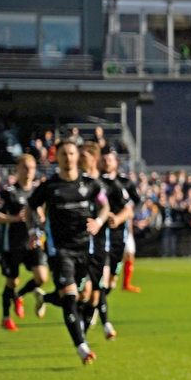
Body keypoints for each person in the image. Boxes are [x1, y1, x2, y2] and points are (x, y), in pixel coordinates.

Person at [26, 141, 110, 365]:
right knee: (71, 296)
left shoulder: (90, 184)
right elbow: (30, 206)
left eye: (71, 153)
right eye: (63, 154)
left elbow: (104, 205)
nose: (68, 157)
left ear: (76, 156)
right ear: (57, 157)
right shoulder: (49, 186)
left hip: (86, 248)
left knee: (85, 295)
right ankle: (82, 347)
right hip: (60, 250)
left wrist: (100, 221)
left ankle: (44, 298)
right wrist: (35, 229)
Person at [0, 155, 49, 330]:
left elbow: (42, 212)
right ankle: (6, 317)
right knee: (11, 281)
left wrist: (40, 215)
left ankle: (19, 296)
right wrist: (15, 218)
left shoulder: (37, 190)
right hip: (14, 243)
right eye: (25, 167)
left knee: (42, 277)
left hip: (35, 241)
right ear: (17, 168)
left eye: (32, 167)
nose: (29, 171)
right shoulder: (9, 191)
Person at [98, 147, 139, 338]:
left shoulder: (124, 182)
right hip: (99, 236)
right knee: (102, 278)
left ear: (116, 162)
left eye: (110, 160)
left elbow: (134, 204)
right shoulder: (95, 182)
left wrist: (122, 218)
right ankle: (102, 318)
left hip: (119, 235)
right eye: (104, 159)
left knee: (112, 281)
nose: (107, 163)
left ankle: (95, 303)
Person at [78, 142, 117, 340]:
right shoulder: (75, 181)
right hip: (77, 245)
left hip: (101, 244)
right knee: (82, 291)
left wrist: (112, 218)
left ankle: (83, 333)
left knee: (96, 292)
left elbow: (120, 206)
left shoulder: (104, 184)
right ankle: (96, 326)